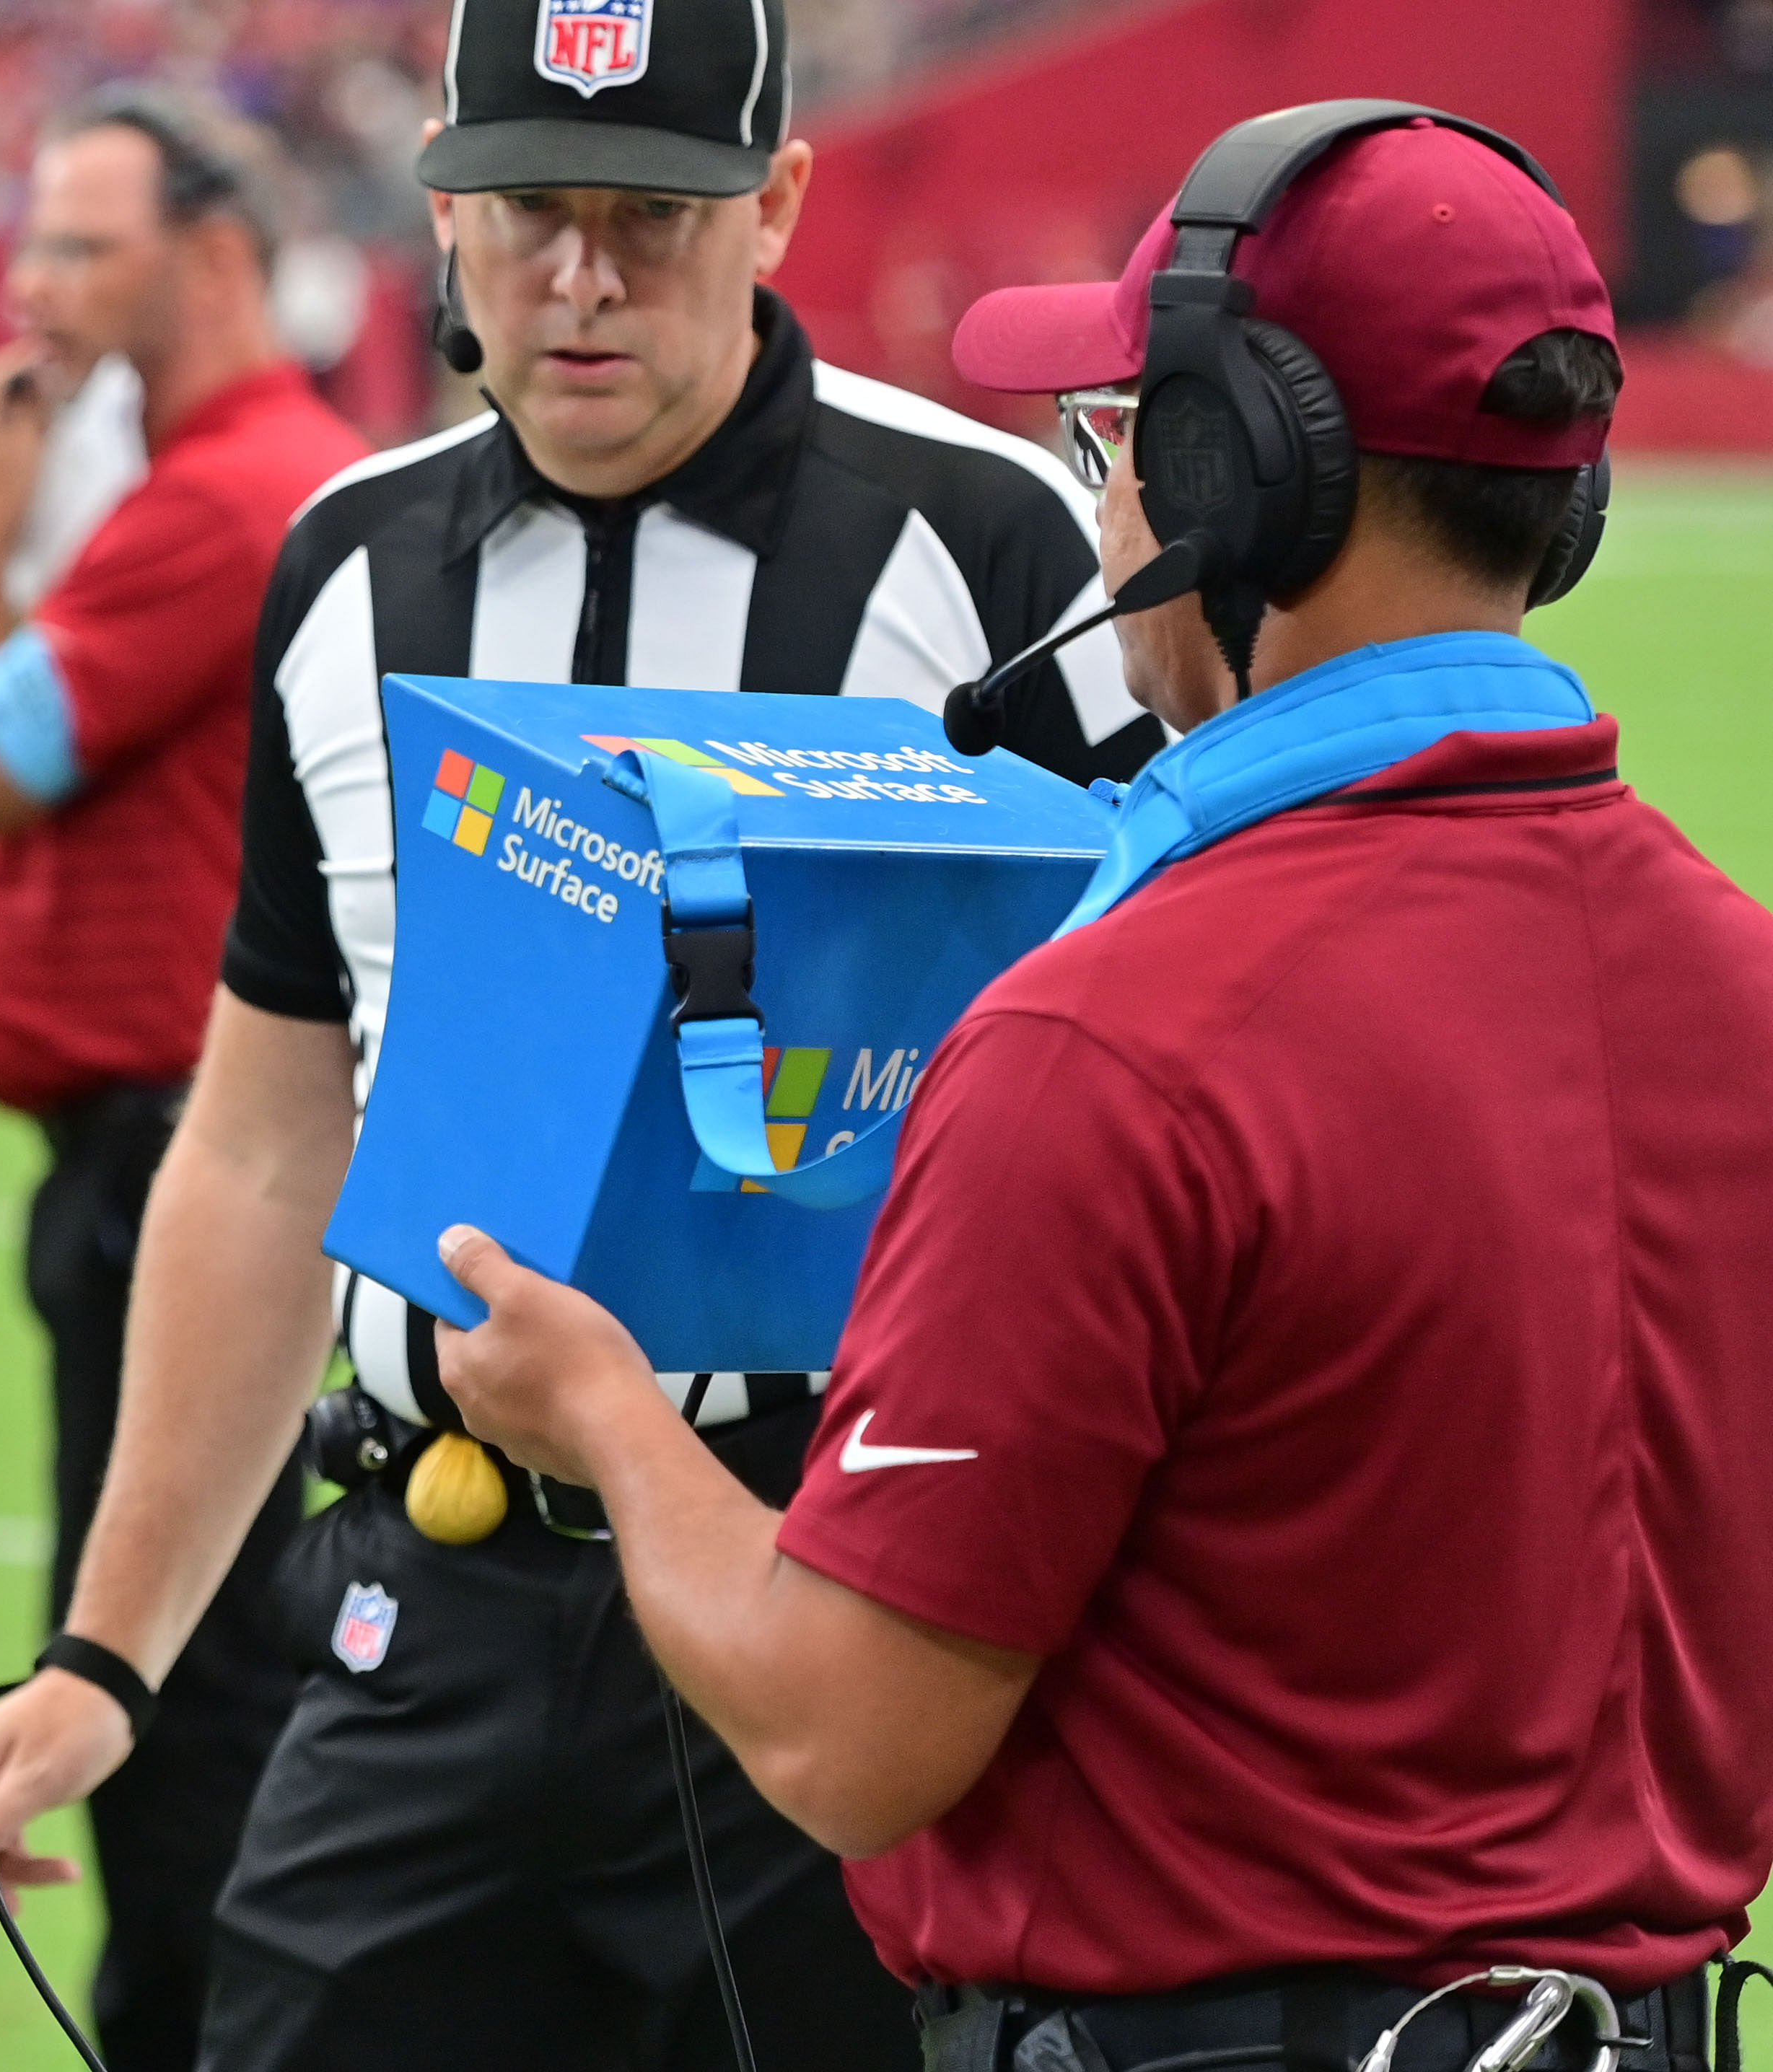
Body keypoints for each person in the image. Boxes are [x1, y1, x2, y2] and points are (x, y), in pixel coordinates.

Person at [432, 106, 1773, 2072]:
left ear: (1236, 476)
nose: (1106, 498)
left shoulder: (1110, 1040)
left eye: (1118, 436)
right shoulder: (1735, 973)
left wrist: (604, 1420)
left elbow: (841, 1735)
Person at [0, 4, 1163, 2066]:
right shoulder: (345, 563)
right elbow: (263, 1136)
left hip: (825, 1583)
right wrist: (107, 1655)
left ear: (772, 204)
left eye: (645, 217)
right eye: (523, 215)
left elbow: (1155, 1094)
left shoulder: (989, 547)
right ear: (435, 200)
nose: (575, 278)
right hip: (432, 1569)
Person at [0, 89, 370, 2072]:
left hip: (182, 1159)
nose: (34, 294)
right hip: (170, 1142)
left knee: (169, 1697)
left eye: (75, 250)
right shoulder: (247, 478)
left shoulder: (224, 492)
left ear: (207, 255)